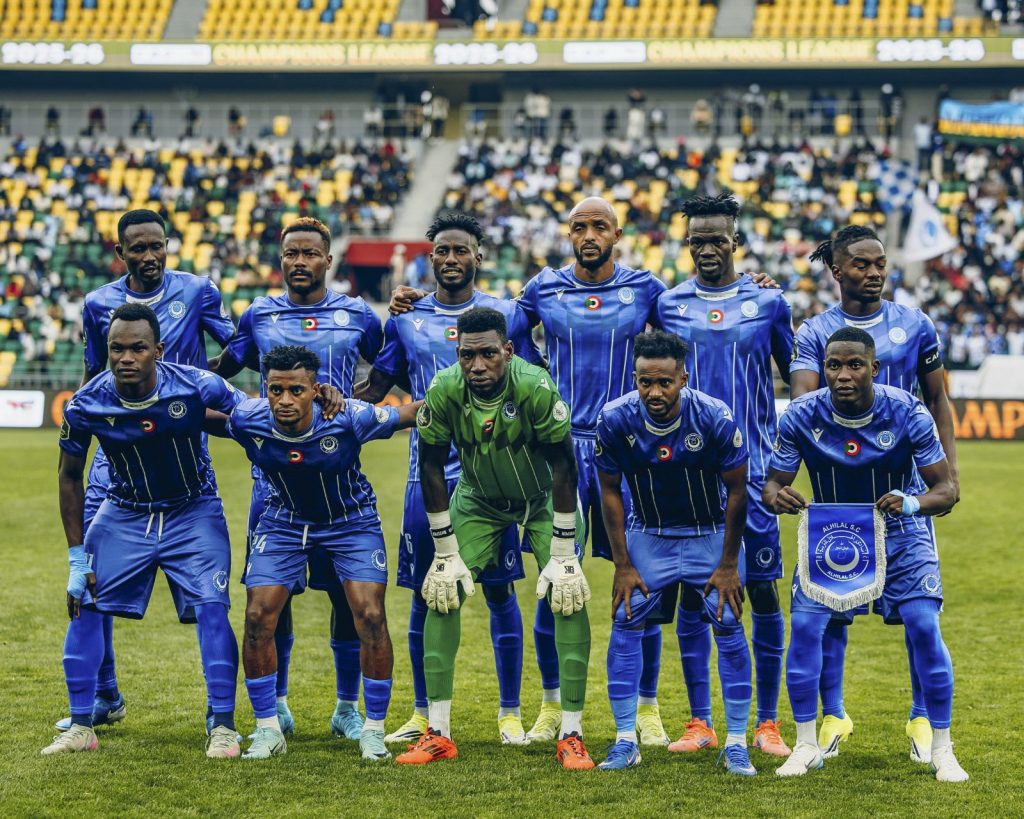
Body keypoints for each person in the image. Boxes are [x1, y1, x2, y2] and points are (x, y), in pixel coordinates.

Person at [354, 212, 541, 746]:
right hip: (426, 477)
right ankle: (422, 712)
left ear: (478, 256)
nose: (452, 259)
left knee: (501, 592)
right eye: (442, 251)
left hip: (492, 479)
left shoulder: (506, 315)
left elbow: (533, 379)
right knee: (424, 595)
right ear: (430, 257)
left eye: (461, 250)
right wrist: (331, 410)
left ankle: (509, 713)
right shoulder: (407, 319)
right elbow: (377, 389)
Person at [53, 209, 236, 735]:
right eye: (139, 248)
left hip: (181, 444)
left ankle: (224, 715)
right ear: (121, 253)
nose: (150, 256)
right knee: (88, 583)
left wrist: (194, 390)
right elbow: (94, 370)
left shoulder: (197, 290)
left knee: (209, 595)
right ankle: (103, 695)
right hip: (114, 457)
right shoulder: (98, 304)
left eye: (158, 245)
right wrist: (93, 410)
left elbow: (238, 346)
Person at [395, 307, 594, 769]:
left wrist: (563, 552)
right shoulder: (444, 388)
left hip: (544, 498)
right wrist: (445, 549)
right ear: (457, 354)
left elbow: (565, 464)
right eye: (467, 355)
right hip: (478, 498)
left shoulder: (534, 385)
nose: (477, 365)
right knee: (441, 591)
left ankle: (572, 733)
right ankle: (438, 733)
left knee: (567, 595)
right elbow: (430, 465)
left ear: (507, 350)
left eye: (488, 354)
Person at [765, 327, 967, 782]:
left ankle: (942, 747)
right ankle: (806, 745)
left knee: (924, 625)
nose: (843, 374)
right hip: (831, 530)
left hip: (902, 529)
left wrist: (911, 502)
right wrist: (778, 496)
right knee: (806, 628)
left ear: (874, 368)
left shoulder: (907, 411)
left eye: (854, 365)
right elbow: (772, 484)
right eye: (834, 365)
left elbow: (946, 490)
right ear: (824, 369)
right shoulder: (801, 414)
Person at [210, 216, 383, 742]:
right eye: (291, 254)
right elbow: (225, 369)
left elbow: (386, 370)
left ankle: (347, 708)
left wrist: (351, 410)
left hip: (336, 477)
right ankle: (278, 703)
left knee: (345, 599)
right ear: (281, 259)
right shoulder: (259, 314)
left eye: (310, 253)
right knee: (270, 599)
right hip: (274, 489)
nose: (300, 262)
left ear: (328, 260)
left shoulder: (358, 315)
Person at [793, 226, 959, 764]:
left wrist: (948, 474)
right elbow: (804, 402)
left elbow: (937, 399)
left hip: (903, 491)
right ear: (837, 271)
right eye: (861, 264)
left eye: (880, 263)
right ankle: (834, 713)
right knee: (831, 612)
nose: (874, 272)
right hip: (839, 496)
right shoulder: (815, 331)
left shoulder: (916, 324)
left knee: (918, 615)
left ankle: (921, 716)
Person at [213, 345, 420, 761]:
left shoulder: (348, 416)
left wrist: (462, 394)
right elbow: (195, 412)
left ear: (316, 389)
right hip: (283, 521)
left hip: (351, 521)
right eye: (276, 390)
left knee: (370, 615)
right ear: (265, 389)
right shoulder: (248, 418)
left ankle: (373, 731)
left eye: (296, 390)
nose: (284, 400)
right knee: (257, 616)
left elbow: (408, 414)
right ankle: (269, 729)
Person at [653, 193, 794, 758]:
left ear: (736, 242)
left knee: (761, 590)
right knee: (693, 595)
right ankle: (700, 721)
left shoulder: (769, 302)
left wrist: (785, 465)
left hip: (755, 476)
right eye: (698, 241)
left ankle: (767, 722)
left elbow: (798, 382)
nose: (707, 249)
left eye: (717, 240)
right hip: (687, 475)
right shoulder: (667, 304)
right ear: (687, 244)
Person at [595, 331, 756, 775]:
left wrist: (728, 564)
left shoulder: (715, 417)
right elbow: (609, 491)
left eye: (664, 382)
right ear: (635, 379)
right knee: (625, 617)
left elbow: (738, 491)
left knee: (728, 621)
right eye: (645, 382)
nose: (654, 392)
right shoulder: (614, 419)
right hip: (650, 533)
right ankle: (625, 740)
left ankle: (736, 743)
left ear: (683, 378)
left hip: (709, 533)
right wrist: (622, 564)